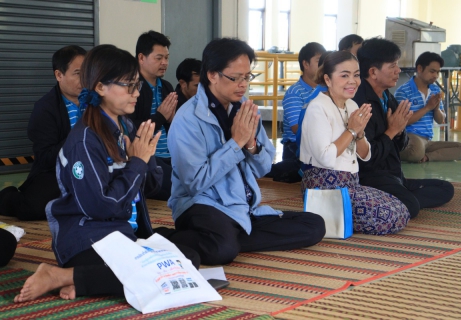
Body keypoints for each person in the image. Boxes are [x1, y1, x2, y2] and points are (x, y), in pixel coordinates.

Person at [14, 44, 199, 303]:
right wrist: (136, 162)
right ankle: (60, 275)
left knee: (189, 259)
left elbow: (153, 186)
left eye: (137, 85)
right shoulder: (85, 140)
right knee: (150, 273)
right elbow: (102, 207)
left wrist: (146, 158)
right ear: (100, 87)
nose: (136, 93)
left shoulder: (128, 126)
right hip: (88, 239)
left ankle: (76, 279)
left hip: (125, 234)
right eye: (129, 86)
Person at [161, 38, 326, 266]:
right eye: (235, 77)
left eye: (247, 77)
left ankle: (231, 237)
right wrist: (236, 143)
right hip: (200, 205)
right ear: (212, 75)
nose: (243, 84)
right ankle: (163, 237)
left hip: (241, 207)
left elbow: (264, 168)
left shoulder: (244, 108)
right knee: (222, 251)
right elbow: (194, 183)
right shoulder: (188, 119)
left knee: (314, 225)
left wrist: (251, 146)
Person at [298, 51, 409, 235]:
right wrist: (351, 130)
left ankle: (342, 218)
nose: (353, 81)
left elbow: (365, 155)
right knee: (389, 217)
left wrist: (358, 133)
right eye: (344, 75)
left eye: (356, 75)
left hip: (350, 183)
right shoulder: (317, 107)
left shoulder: (351, 105)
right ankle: (330, 217)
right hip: (325, 186)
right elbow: (326, 158)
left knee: (401, 209)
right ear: (327, 79)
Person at [353, 38, 454, 219]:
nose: (398, 71)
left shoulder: (386, 97)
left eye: (397, 65)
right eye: (392, 66)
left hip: (393, 175)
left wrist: (399, 132)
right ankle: (395, 199)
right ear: (373, 72)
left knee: (445, 188)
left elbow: (400, 146)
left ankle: (395, 198)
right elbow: (367, 159)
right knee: (411, 206)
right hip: (371, 178)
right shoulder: (361, 104)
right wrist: (391, 131)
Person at [0, 45, 86, 220]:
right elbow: (46, 157)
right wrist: (79, 134)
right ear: (59, 75)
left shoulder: (95, 101)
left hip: (91, 167)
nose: (84, 79)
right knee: (34, 209)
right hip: (54, 171)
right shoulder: (45, 108)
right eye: (77, 73)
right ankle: (7, 196)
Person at [128, 31, 177, 201]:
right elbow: (129, 127)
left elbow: (171, 126)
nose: (165, 63)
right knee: (179, 188)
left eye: (167, 58)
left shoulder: (166, 86)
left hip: (173, 156)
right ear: (141, 58)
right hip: (149, 159)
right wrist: (161, 117)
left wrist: (173, 121)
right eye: (159, 58)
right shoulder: (132, 88)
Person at [394, 52, 461, 162]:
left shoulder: (435, 90)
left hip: (428, 140)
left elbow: (440, 120)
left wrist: (436, 108)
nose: (436, 76)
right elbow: (403, 121)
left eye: (438, 72)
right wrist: (427, 108)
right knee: (416, 150)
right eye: (432, 71)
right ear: (419, 69)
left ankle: (427, 157)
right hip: (410, 137)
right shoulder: (403, 91)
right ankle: (420, 154)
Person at [269, 42, 327, 182]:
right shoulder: (295, 93)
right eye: (319, 62)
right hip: (296, 147)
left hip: (316, 144)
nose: (324, 67)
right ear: (305, 64)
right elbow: (297, 129)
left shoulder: (326, 91)